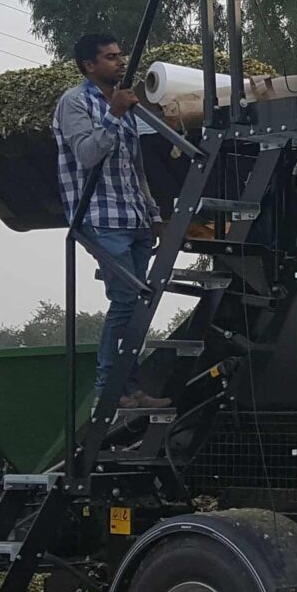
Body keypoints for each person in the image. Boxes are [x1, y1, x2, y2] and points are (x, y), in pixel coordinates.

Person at [53, 32, 171, 411]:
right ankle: (108, 388)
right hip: (101, 219)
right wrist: (114, 114)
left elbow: (136, 168)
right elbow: (87, 154)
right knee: (124, 300)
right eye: (110, 57)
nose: (120, 63)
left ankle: (131, 387)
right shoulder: (75, 103)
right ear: (89, 65)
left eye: (120, 56)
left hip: (133, 217)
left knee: (139, 305)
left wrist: (153, 214)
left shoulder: (125, 104)